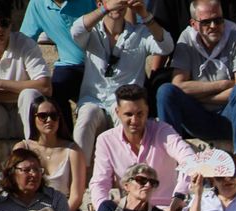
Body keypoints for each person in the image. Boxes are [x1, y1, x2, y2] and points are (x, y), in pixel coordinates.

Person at [70, 0, 172, 179]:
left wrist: (144, 15)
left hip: (125, 104)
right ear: (100, 2)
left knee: (129, 122)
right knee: (85, 119)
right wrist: (105, 9)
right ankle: (79, 181)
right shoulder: (92, 32)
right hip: (94, 100)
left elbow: (166, 46)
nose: (116, 4)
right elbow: (76, 30)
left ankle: (129, 180)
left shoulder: (139, 33)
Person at [157, 0, 236, 180]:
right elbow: (178, 85)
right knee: (166, 92)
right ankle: (174, 163)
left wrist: (199, 94)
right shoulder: (186, 40)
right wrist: (224, 84)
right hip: (198, 117)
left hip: (229, 117)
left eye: (218, 20)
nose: (213, 26)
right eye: (206, 22)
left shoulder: (235, 37)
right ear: (194, 24)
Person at [87, 83, 197, 211]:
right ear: (117, 112)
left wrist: (179, 194)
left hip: (166, 209)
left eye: (140, 114)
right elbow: (100, 182)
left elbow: (189, 159)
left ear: (147, 111)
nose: (134, 120)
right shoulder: (106, 140)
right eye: (128, 114)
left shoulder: (162, 131)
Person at [0, 2, 50, 143]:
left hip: (23, 117)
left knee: (29, 94)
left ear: (11, 24)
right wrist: (15, 92)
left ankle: (33, 152)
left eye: (4, 23)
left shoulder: (26, 44)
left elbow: (45, 87)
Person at [20, 0, 97, 111]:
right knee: (55, 92)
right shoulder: (37, 3)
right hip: (70, 64)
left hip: (101, 61)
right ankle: (64, 128)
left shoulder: (88, 1)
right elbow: (25, 41)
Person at [18, 98, 86, 211]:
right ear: (33, 118)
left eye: (54, 116)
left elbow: (76, 196)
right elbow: (16, 189)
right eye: (43, 116)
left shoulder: (73, 150)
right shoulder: (22, 148)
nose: (49, 120)